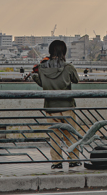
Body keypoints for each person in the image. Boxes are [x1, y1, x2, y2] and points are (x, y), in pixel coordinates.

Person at [31, 40, 82, 169]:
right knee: (70, 134)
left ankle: (56, 162)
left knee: (54, 136)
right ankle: (73, 159)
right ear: (63, 51)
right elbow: (76, 80)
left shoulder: (42, 67)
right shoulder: (68, 67)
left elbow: (43, 84)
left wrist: (35, 76)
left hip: (51, 106)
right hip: (67, 106)